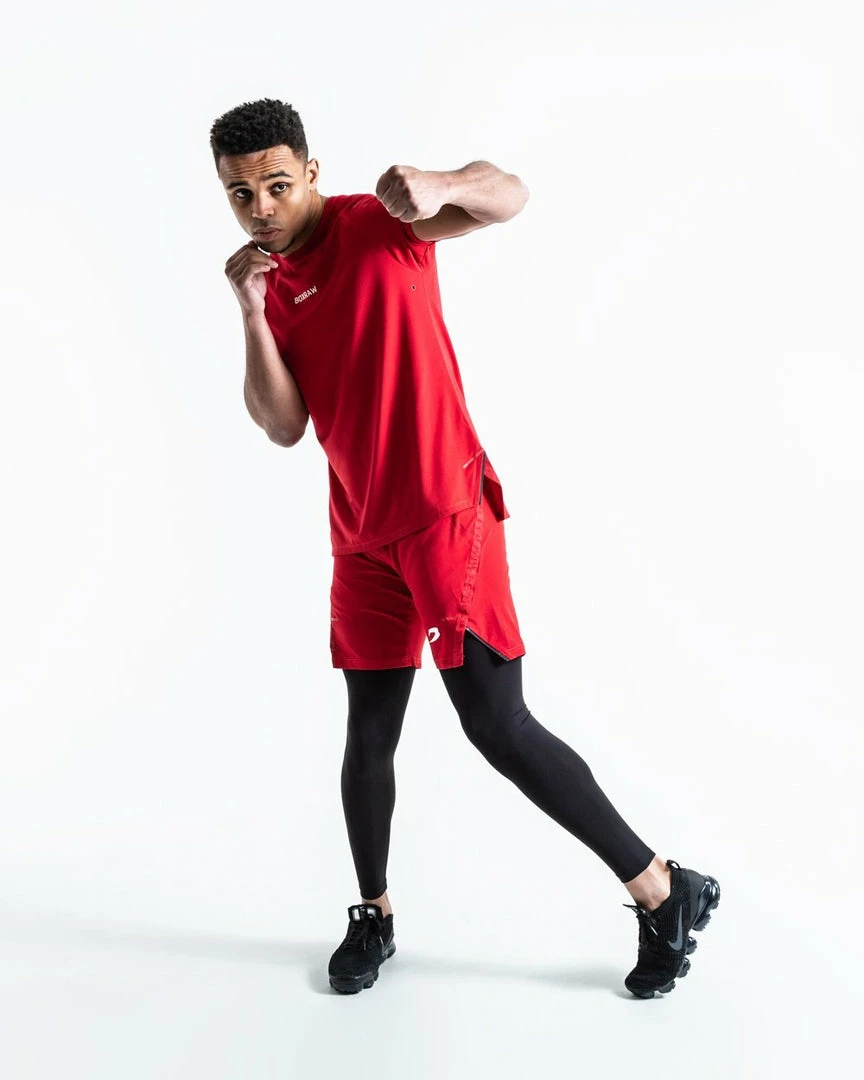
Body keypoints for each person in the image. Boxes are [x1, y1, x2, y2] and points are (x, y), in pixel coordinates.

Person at [209, 98, 721, 999]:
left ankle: (662, 887)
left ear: (312, 174)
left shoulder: (378, 224)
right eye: (241, 194)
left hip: (446, 511)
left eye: (277, 186)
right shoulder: (271, 283)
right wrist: (250, 311)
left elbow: (509, 194)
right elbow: (283, 426)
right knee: (369, 736)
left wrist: (437, 183)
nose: (262, 209)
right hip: (361, 535)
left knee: (496, 723)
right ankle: (374, 912)